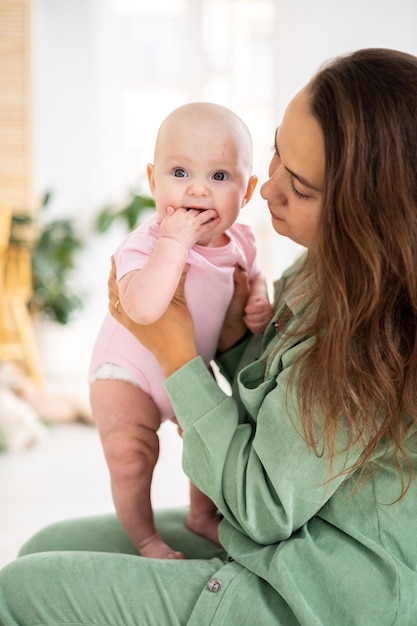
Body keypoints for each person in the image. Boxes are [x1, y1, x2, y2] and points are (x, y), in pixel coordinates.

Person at [1, 47, 417, 625]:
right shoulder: (322, 267)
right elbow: (286, 413)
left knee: (15, 591)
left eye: (297, 185)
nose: (266, 190)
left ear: (367, 213)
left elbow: (264, 506)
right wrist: (230, 344)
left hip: (317, 589)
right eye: (275, 153)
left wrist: (176, 354)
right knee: (42, 546)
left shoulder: (369, 337)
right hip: (279, 537)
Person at [89, 102, 272, 559]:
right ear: (153, 181)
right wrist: (175, 242)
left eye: (219, 177)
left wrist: (257, 298)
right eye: (179, 172)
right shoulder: (146, 243)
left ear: (247, 191)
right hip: (127, 372)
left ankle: (201, 515)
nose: (197, 189)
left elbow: (252, 277)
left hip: (191, 366)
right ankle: (146, 537)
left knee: (212, 445)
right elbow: (144, 309)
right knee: (131, 457)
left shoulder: (242, 242)